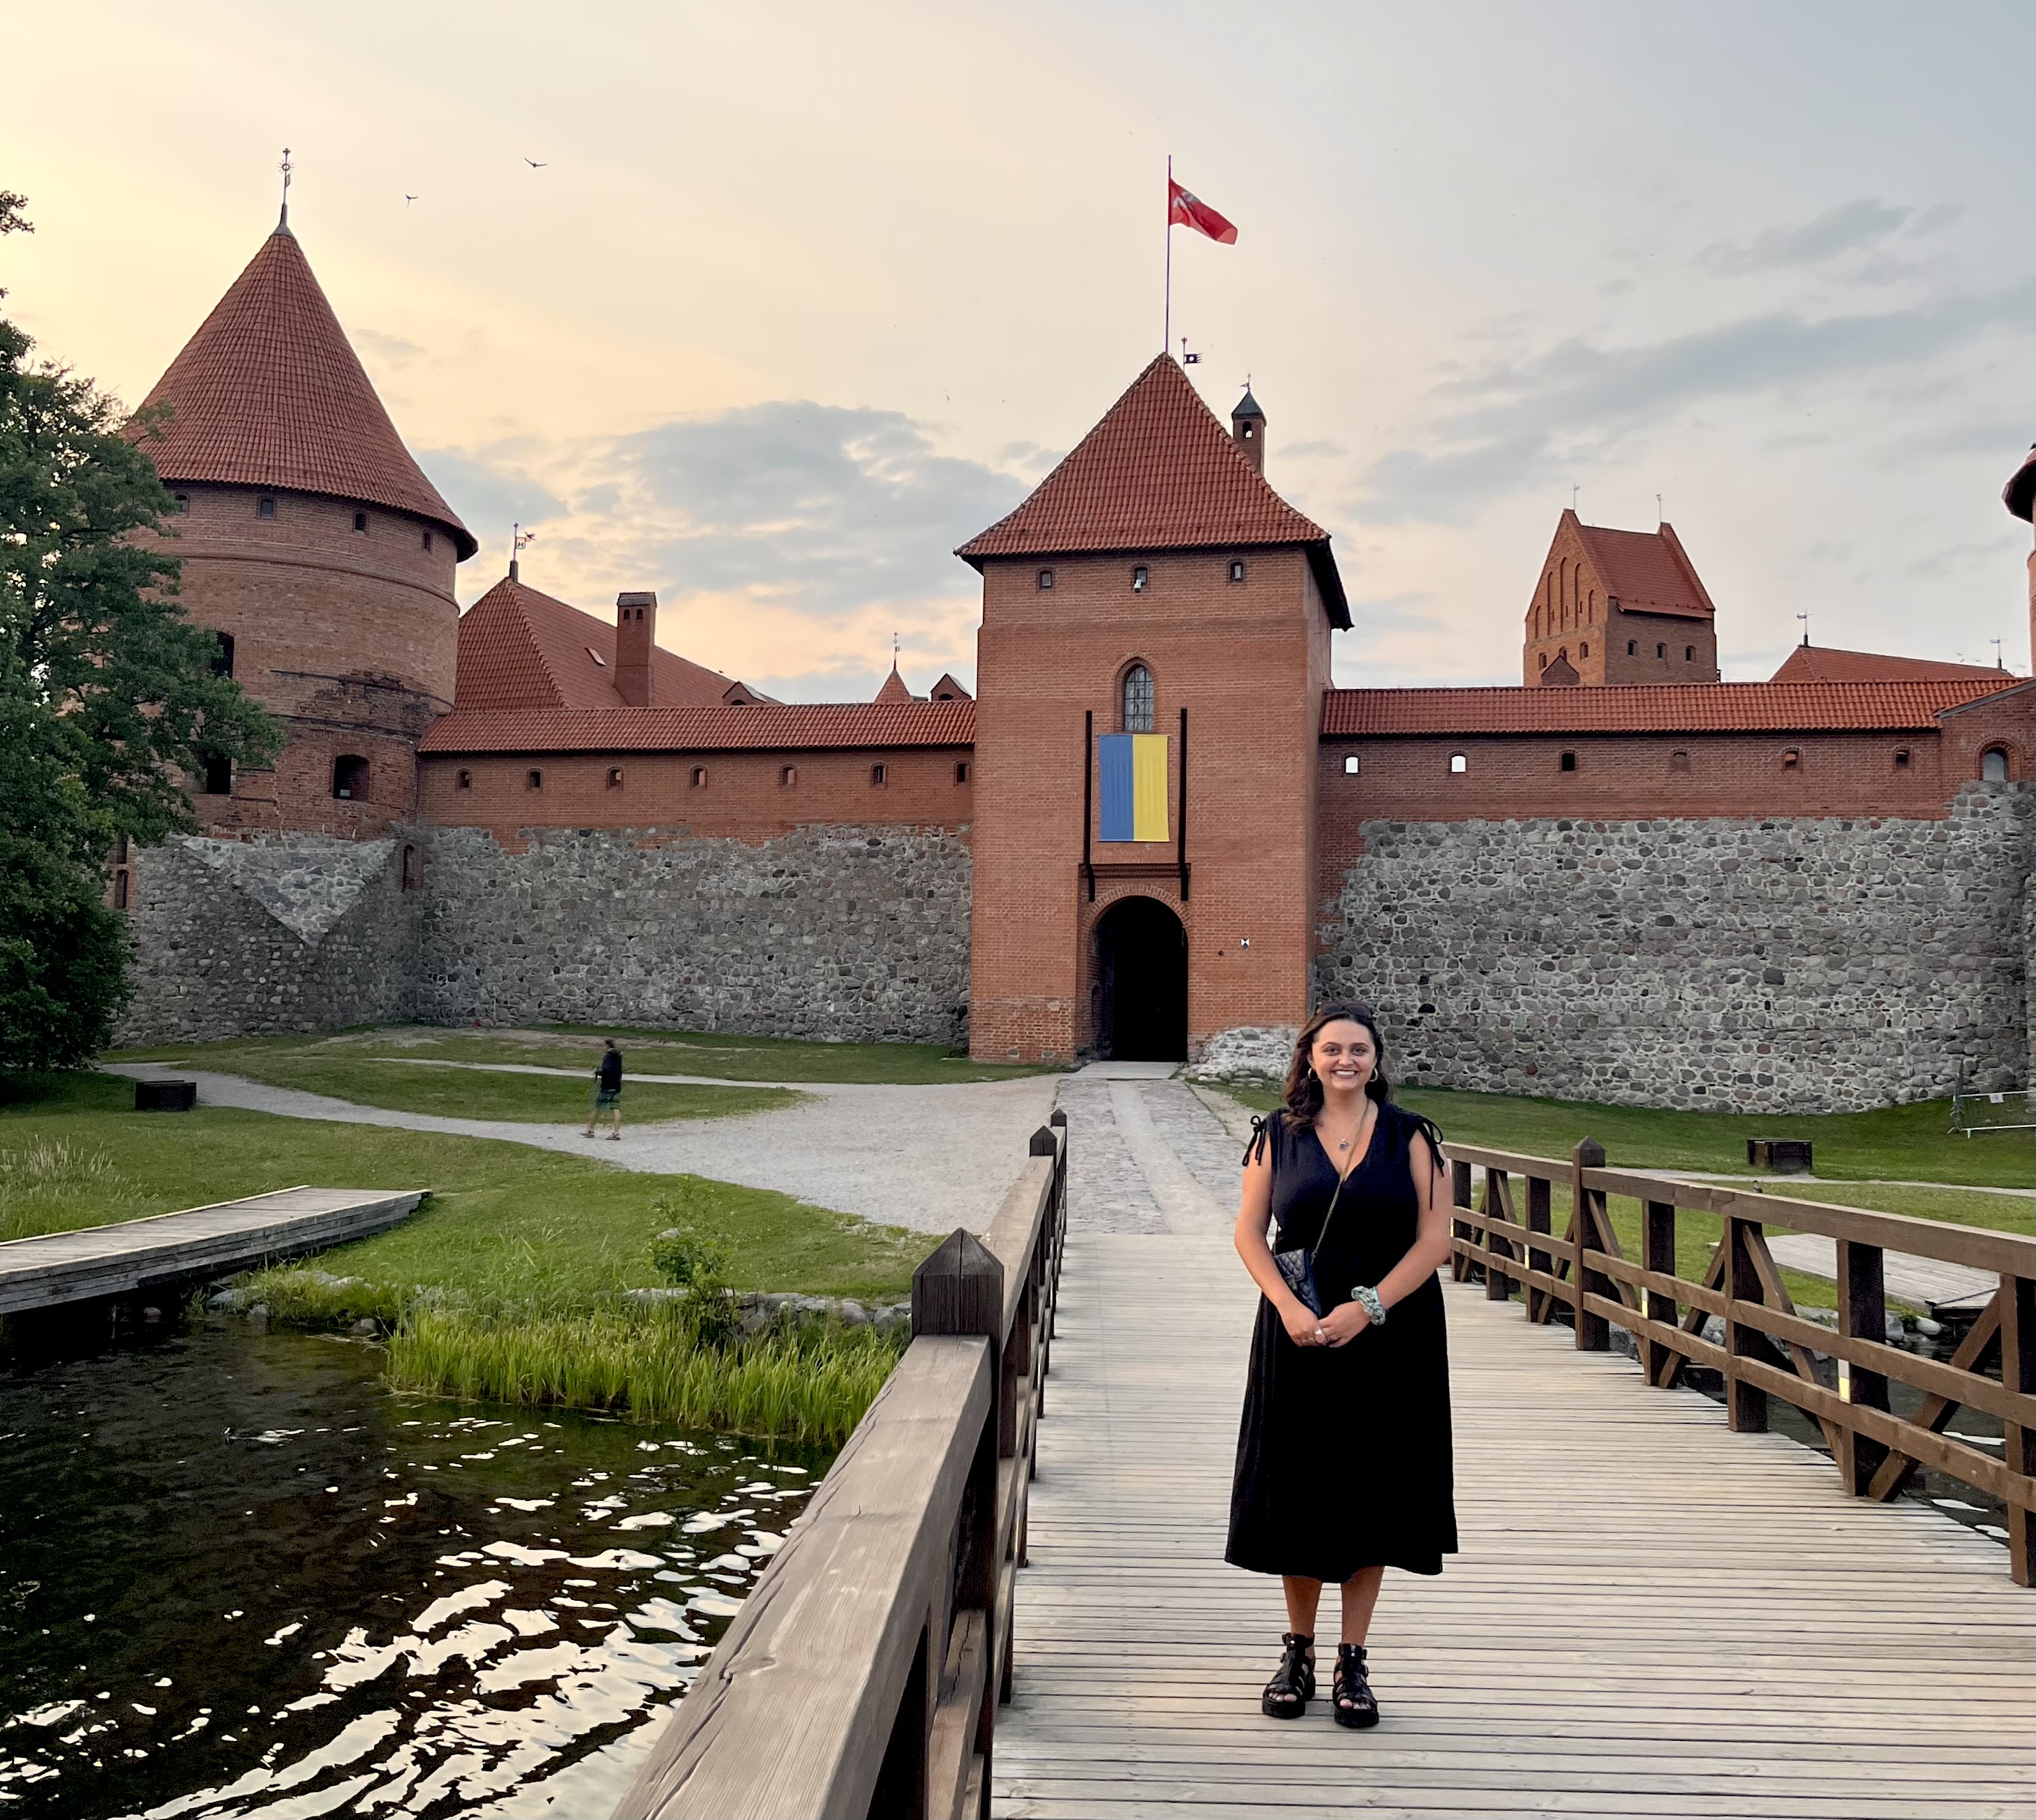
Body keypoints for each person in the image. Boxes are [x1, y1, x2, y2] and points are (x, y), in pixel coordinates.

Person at [1226, 1002, 1457, 1729]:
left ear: (1376, 1060)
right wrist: (1288, 1309)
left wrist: (1369, 1307)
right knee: (1299, 1481)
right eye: (1332, 1050)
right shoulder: (1276, 1136)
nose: (1345, 1061)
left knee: (1373, 1484)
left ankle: (1353, 1658)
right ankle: (1296, 1648)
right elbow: (1248, 1233)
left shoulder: (1413, 1137)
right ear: (1310, 1059)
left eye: (1358, 1050)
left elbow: (1434, 1241)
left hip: (1389, 1330)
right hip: (1298, 1325)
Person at [584, 1039, 624, 1140]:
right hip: (617, 1085)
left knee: (598, 1107)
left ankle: (591, 1130)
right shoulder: (619, 1057)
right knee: (616, 1108)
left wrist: (598, 1072)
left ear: (607, 1046)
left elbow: (607, 1070)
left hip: (607, 1086)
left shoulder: (608, 1056)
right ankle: (616, 1132)